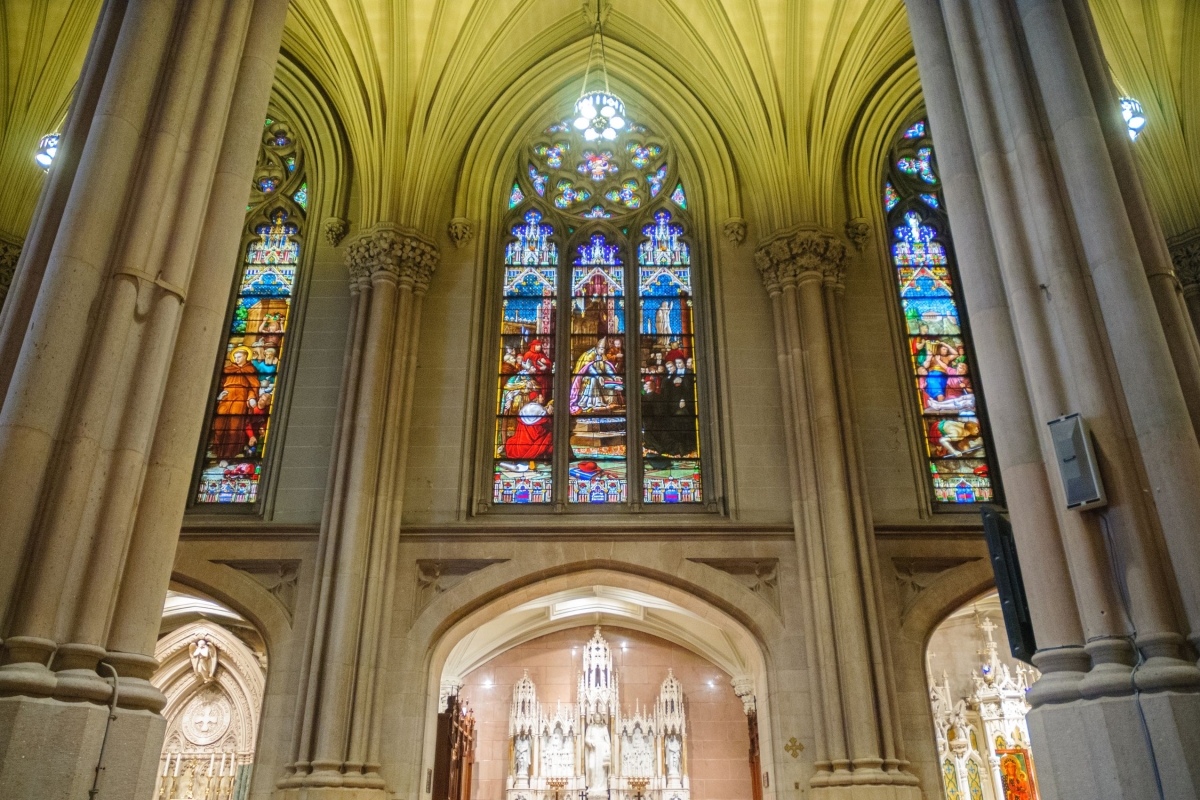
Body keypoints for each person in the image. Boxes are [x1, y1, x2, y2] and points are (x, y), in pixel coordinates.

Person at [210, 347, 259, 459]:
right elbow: (219, 384)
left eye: (239, 357)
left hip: (240, 398)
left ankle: (228, 455)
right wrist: (219, 396)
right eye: (235, 357)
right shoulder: (228, 370)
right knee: (219, 424)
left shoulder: (250, 370)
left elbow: (253, 386)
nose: (237, 359)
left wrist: (251, 397)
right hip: (226, 397)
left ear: (246, 356)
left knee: (235, 425)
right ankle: (218, 450)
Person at [570, 336, 623, 414]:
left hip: (600, 375)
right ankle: (593, 403)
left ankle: (610, 402)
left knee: (610, 380)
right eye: (601, 349)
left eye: (604, 349)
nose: (603, 351)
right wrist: (598, 377)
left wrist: (614, 376)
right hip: (587, 376)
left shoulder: (603, 355)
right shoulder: (589, 355)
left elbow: (607, 368)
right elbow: (589, 368)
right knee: (594, 380)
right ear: (597, 348)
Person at [504, 393, 553, 460]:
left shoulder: (527, 407)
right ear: (537, 398)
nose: (543, 398)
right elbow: (540, 429)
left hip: (523, 438)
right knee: (549, 436)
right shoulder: (539, 409)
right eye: (541, 397)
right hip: (533, 438)